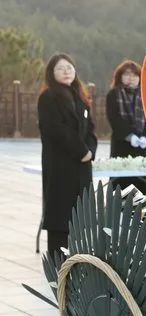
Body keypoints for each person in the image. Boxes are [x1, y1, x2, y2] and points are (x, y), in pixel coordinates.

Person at [38, 52, 98, 258]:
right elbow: (56, 129)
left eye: (69, 68)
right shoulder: (48, 97)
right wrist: (81, 151)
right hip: (61, 165)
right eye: (60, 69)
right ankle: (59, 264)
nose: (66, 72)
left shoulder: (80, 96)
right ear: (52, 73)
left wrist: (90, 151)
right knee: (61, 216)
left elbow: (90, 129)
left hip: (82, 166)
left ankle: (80, 261)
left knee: (82, 216)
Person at [105, 59, 146, 212]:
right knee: (124, 183)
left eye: (134, 75)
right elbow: (114, 119)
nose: (131, 78)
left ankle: (145, 217)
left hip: (144, 147)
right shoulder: (113, 94)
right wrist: (129, 136)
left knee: (145, 184)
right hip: (122, 146)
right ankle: (124, 217)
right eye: (126, 75)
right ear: (120, 77)